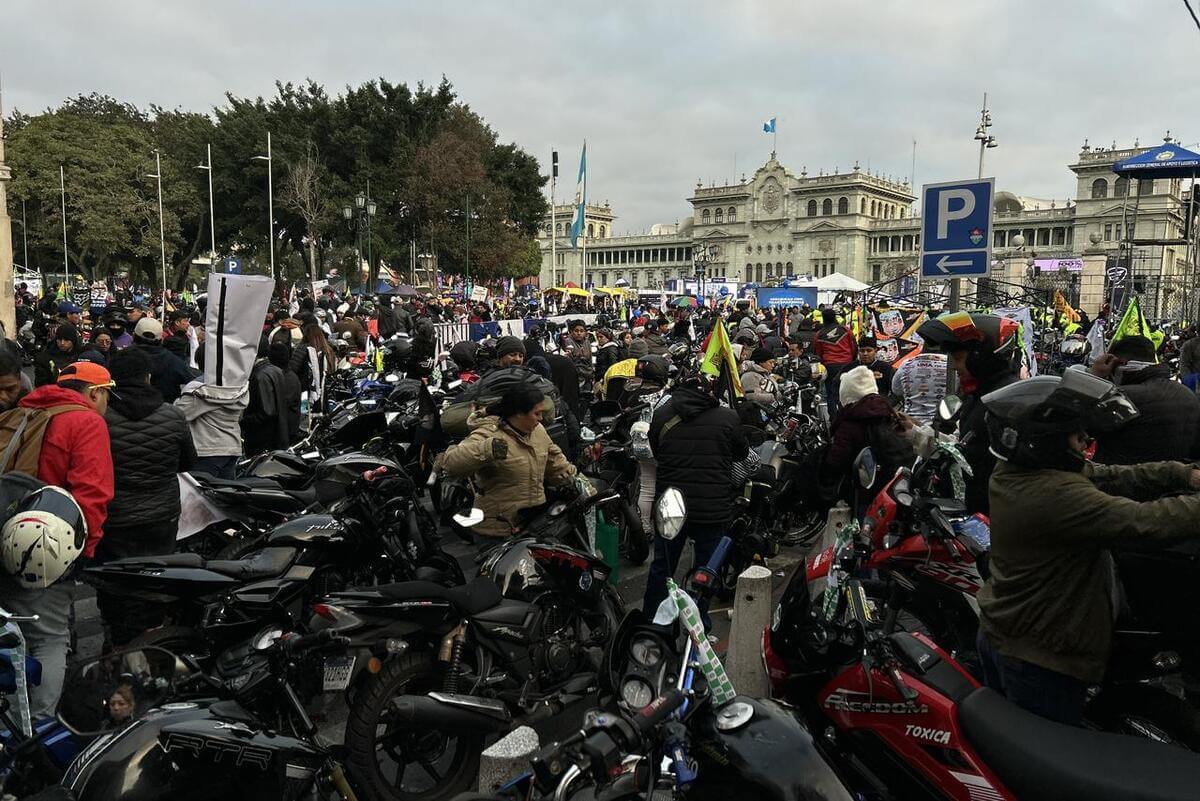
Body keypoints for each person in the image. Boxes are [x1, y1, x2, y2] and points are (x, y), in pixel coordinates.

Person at [976, 370, 1200, 726]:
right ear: (1043, 440)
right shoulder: (1054, 494)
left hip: (1010, 634)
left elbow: (1112, 475)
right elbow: (1146, 521)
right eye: (1077, 433)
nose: (1086, 440)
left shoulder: (1019, 472)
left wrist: (1180, 473)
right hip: (1039, 657)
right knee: (1044, 761)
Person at [0, 361, 115, 717]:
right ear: (95, 393)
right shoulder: (86, 422)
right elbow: (92, 495)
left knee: (10, 630)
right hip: (45, 549)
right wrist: (83, 552)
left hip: (5, 536)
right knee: (48, 638)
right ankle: (40, 729)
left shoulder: (22, 413)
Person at [98, 348, 196, 645]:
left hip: (116, 516)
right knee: (156, 575)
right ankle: (153, 636)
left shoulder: (101, 419)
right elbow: (187, 463)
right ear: (148, 377)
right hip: (161, 514)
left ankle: (118, 638)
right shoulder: (173, 415)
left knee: (116, 580)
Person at [641, 375, 749, 625]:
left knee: (662, 567)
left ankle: (651, 623)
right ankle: (699, 628)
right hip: (712, 507)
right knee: (706, 571)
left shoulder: (662, 415)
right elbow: (741, 453)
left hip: (671, 505)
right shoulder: (727, 417)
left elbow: (657, 451)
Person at [915, 312, 1021, 515]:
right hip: (969, 515)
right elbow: (963, 447)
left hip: (989, 522)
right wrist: (913, 431)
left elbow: (983, 468)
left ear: (980, 358)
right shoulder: (977, 395)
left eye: (958, 358)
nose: (954, 366)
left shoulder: (1005, 402)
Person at [438, 384, 577, 538]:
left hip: (534, 524)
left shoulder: (538, 431)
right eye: (536, 414)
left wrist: (580, 484)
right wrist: (486, 450)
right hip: (497, 530)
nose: (541, 419)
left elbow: (556, 463)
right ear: (518, 413)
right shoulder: (488, 433)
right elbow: (450, 464)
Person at [1089, 335, 1200, 465]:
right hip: (1177, 477)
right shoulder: (1187, 394)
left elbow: (1078, 426)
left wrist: (1094, 377)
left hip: (1122, 478)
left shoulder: (1121, 397)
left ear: (1119, 364)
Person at [132, 318, 196, 404]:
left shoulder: (120, 359)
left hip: (123, 412)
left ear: (133, 336)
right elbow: (192, 386)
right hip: (165, 411)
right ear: (161, 339)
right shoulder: (174, 362)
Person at [243, 341, 291, 455]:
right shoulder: (275, 370)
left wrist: (243, 421)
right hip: (278, 435)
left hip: (263, 439)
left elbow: (266, 411)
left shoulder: (260, 376)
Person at [813, 309, 857, 416]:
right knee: (848, 391)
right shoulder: (845, 330)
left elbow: (819, 353)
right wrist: (853, 361)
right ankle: (848, 414)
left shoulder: (819, 335)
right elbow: (854, 347)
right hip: (847, 364)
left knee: (831, 393)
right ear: (835, 317)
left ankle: (833, 418)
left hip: (830, 366)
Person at [890, 349, 948, 426]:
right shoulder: (952, 365)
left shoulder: (906, 363)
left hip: (910, 424)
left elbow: (896, 391)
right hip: (941, 426)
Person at [34, 322, 81, 387]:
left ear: (73, 341)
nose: (62, 343)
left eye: (66, 340)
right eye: (59, 339)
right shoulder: (46, 357)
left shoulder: (80, 356)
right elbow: (40, 383)